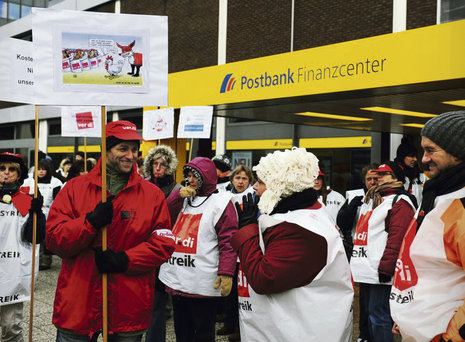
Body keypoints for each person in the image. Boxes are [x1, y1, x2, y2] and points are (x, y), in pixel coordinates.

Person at [46, 120, 176, 342]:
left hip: (128, 304)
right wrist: (89, 223)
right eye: (122, 148)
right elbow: (54, 239)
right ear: (105, 150)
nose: (130, 155)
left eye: (134, 149)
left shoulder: (152, 195)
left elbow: (163, 244)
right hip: (79, 301)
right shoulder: (74, 189)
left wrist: (125, 260)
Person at [231, 147, 353, 341]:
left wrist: (247, 231)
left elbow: (264, 278)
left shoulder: (300, 229)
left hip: (301, 331)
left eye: (261, 182)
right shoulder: (300, 214)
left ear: (281, 187)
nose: (254, 187)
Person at [390, 111, 465, 342]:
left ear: (458, 153)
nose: (423, 159)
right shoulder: (438, 195)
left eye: (431, 150)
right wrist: (408, 311)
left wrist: (450, 337)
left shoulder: (460, 206)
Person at [159, 157, 238, 342]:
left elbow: (228, 240)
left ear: (206, 177)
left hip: (202, 284)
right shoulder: (185, 198)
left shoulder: (221, 202)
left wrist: (226, 272)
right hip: (178, 279)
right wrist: (176, 196)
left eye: (195, 176)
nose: (190, 180)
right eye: (188, 175)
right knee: (182, 333)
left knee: (203, 333)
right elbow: (164, 215)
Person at [350, 161, 416, 342]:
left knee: (379, 317)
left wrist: (386, 268)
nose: (378, 177)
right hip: (369, 269)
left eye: (384, 174)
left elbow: (398, 237)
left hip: (381, 270)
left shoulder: (400, 201)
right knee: (373, 314)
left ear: (396, 178)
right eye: (377, 174)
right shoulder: (375, 199)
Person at [0, 152, 46, 342]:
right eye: (2, 169)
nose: (6, 173)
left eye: (12, 170)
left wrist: (38, 216)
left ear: (19, 175)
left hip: (12, 277)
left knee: (11, 327)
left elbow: (35, 238)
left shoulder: (26, 202)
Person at [336, 162, 379, 342]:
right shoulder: (357, 196)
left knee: (377, 301)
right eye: (368, 179)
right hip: (359, 251)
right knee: (363, 298)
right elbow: (342, 222)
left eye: (375, 178)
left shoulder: (389, 197)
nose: (372, 182)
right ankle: (363, 334)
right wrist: (350, 208)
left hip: (378, 252)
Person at [144, 145, 182, 342]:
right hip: (143, 245)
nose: (158, 168)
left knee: (158, 300)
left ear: (170, 167)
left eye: (163, 164)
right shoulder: (143, 186)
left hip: (166, 248)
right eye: (155, 164)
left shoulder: (178, 190)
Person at [217, 164, 254, 342]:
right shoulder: (225, 196)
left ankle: (241, 327)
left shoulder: (253, 197)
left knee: (242, 291)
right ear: (232, 179)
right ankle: (229, 322)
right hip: (228, 249)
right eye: (238, 178)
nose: (240, 182)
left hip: (245, 249)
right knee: (229, 290)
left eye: (244, 178)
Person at [35, 159, 63, 270]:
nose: (41, 172)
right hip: (34, 211)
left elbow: (57, 199)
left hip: (49, 212)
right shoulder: (30, 181)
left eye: (43, 169)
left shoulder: (55, 182)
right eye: (39, 169)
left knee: (45, 238)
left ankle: (45, 260)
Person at [394, 135, 426, 205]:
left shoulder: (421, 176)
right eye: (411, 156)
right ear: (402, 157)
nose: (415, 159)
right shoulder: (394, 176)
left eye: (415, 156)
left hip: (417, 214)